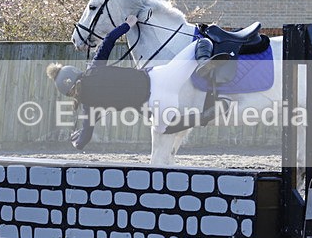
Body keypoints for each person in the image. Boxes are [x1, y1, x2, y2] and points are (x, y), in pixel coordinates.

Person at [47, 15, 224, 149]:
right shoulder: (95, 68)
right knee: (200, 42)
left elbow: (85, 136)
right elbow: (109, 40)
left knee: (163, 128)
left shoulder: (88, 107)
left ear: (69, 93)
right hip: (160, 78)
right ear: (76, 72)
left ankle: (203, 116)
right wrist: (128, 24)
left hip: (156, 104)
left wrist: (76, 142)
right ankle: (202, 63)